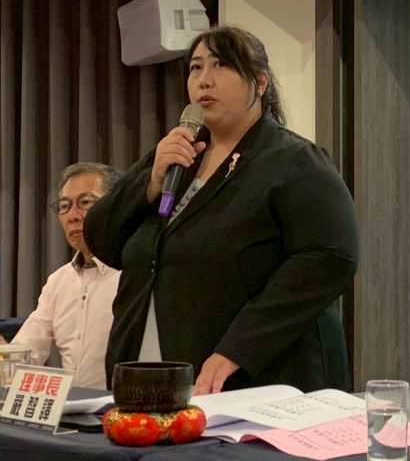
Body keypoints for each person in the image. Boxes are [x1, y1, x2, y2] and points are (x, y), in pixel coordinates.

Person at [84, 25, 358, 396]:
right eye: (196, 68)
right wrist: (149, 182)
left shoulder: (293, 160)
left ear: (260, 83)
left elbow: (331, 258)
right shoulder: (178, 155)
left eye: (221, 65)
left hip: (260, 378)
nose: (204, 80)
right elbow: (101, 239)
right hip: (151, 373)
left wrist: (237, 349)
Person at [0, 162, 120, 389]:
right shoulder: (59, 281)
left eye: (85, 202)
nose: (72, 216)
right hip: (73, 408)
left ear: (116, 206)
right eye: (64, 206)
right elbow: (26, 358)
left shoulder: (135, 275)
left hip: (127, 408)